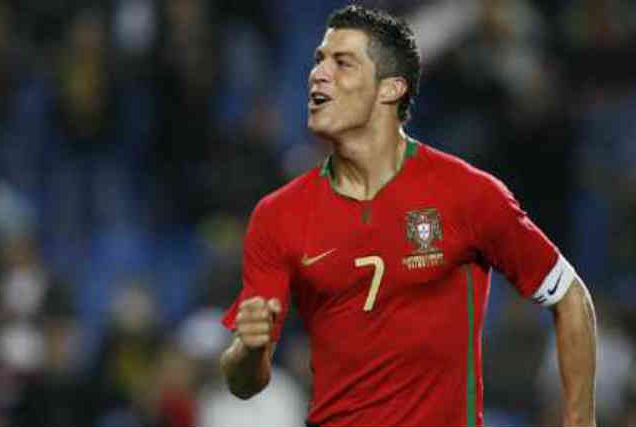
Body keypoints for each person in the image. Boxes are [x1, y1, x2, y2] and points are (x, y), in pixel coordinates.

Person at [220, 5, 597, 426]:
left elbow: (570, 296)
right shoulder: (279, 215)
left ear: (390, 89)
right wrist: (248, 352)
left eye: (341, 63)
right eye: (318, 61)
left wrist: (580, 421)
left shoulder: (466, 194)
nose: (319, 75)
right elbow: (244, 384)